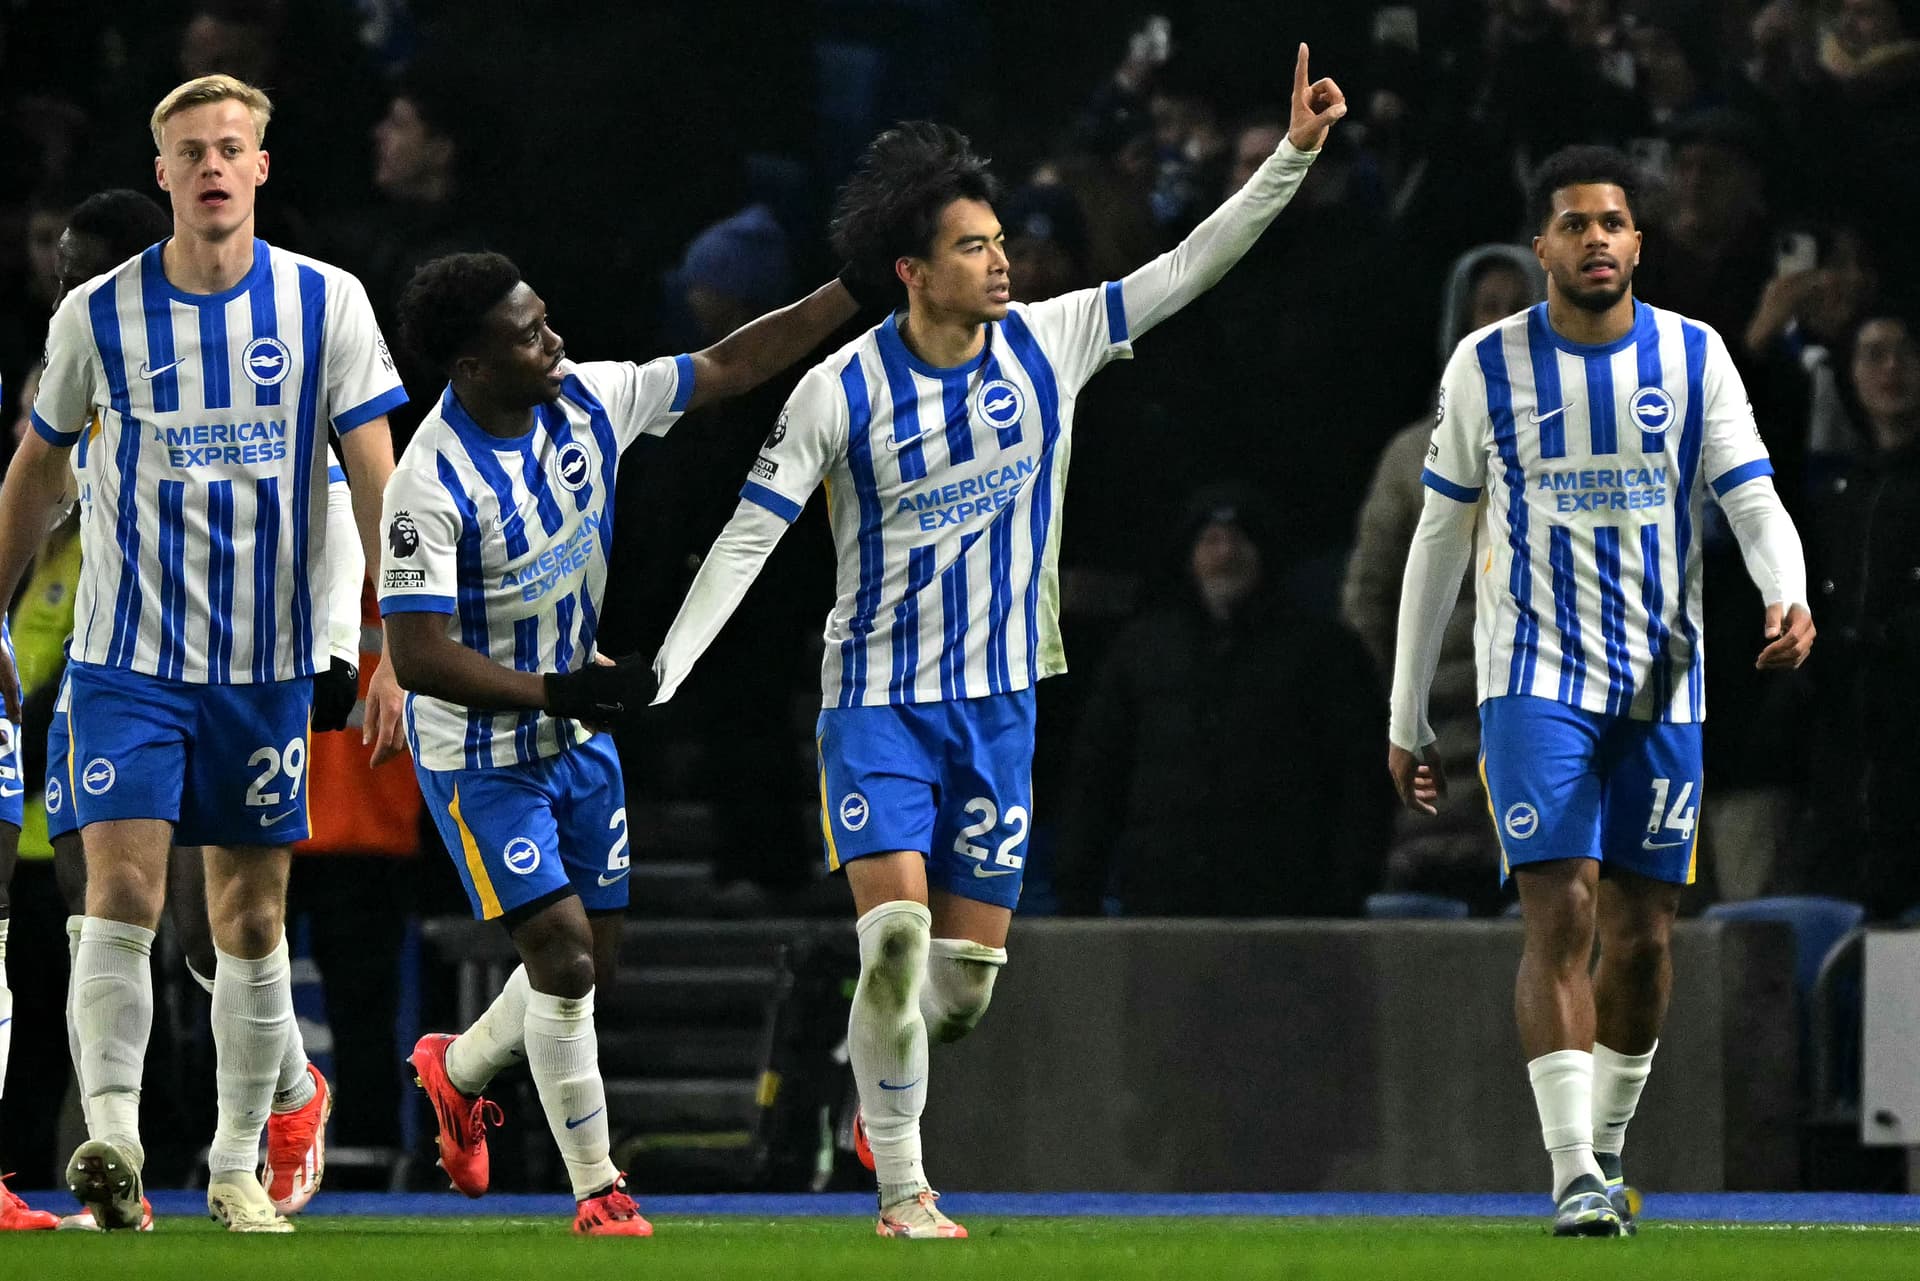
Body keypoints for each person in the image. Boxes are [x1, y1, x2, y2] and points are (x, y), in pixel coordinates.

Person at [647, 44, 1346, 1240]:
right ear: (913, 272)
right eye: (975, 247)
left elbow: (1188, 266)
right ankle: (904, 1188)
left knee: (956, 995)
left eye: (1001, 244)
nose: (1002, 261)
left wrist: (1290, 158)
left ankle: (883, 1077)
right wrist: (668, 666)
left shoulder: (1054, 340)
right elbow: (747, 539)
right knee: (896, 938)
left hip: (1001, 706)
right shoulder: (838, 393)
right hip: (874, 704)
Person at [0, 74, 407, 1233]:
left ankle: (236, 1168)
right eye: (193, 152)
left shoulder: (327, 305)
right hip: (126, 659)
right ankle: (116, 1139)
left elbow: (373, 471)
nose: (215, 166)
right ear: (165, 171)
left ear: (262, 167)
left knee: (245, 922)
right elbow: (39, 468)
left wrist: (387, 637)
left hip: (265, 664)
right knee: (119, 896)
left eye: (233, 147)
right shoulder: (97, 317)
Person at [380, 250, 857, 1236]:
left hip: (577, 730)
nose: (554, 342)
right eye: (527, 334)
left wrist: (852, 289)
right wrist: (558, 687)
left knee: (593, 963)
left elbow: (728, 363)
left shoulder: (589, 402)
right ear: (471, 367)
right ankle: (598, 1190)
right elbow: (419, 656)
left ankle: (458, 1069)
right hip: (480, 753)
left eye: (546, 319)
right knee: (560, 957)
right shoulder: (429, 483)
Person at [1387, 144, 1815, 1238]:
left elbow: (1751, 490)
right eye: (1574, 224)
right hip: (1533, 680)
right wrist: (1407, 710)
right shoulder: (1487, 366)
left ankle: (1610, 1145)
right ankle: (1572, 1166)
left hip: (1663, 684)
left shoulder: (1694, 354)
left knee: (1644, 935)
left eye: (1613, 222)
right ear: (1542, 246)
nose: (1596, 240)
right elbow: (1439, 536)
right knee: (1561, 904)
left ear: (1638, 241)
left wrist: (1787, 591)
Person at [1057, 486, 1388, 916]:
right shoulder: (1141, 653)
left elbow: (1360, 779)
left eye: (1240, 539)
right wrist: (1077, 892)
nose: (1226, 553)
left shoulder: (1324, 653)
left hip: (1290, 916)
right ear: (1188, 555)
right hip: (1162, 912)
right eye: (1211, 539)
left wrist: (1348, 891)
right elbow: (1095, 778)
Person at [1342, 245, 1543, 913]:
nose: (1504, 322)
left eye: (1520, 306)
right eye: (1488, 308)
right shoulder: (1409, 456)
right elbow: (1369, 597)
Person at [1792, 311, 1920, 916]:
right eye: (1872, 354)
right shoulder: (1841, 498)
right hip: (1850, 768)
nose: (1890, 369)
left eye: (1903, 352)